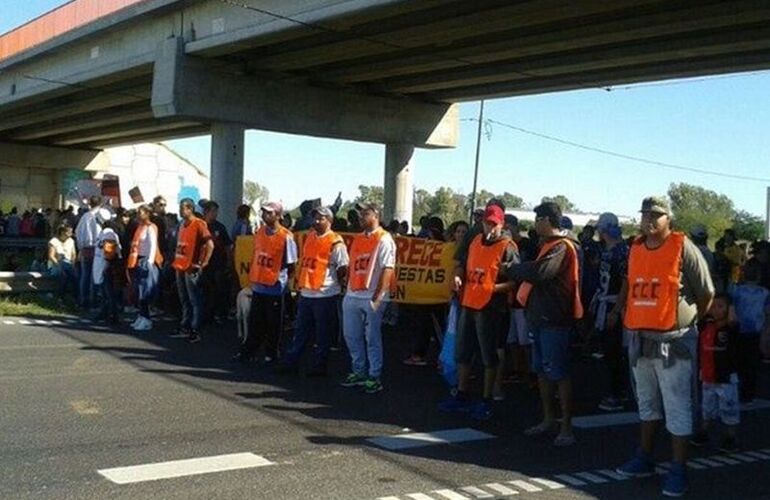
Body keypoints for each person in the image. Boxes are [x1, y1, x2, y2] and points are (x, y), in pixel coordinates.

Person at [614, 196, 714, 498]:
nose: (649, 220)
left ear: (668, 218)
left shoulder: (683, 247)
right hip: (641, 338)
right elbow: (630, 284)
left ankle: (678, 468)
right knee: (647, 402)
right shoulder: (635, 247)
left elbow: (706, 292)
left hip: (674, 342)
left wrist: (688, 321)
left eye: (656, 215)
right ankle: (644, 457)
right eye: (645, 214)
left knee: (677, 406)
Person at [506, 202, 583, 446]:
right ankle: (549, 419)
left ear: (548, 220)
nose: (535, 223)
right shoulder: (548, 245)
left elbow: (540, 272)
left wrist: (510, 269)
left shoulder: (561, 246)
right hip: (540, 318)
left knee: (558, 373)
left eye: (538, 219)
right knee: (541, 370)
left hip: (555, 320)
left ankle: (566, 426)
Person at [440, 205, 518, 420]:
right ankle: (462, 394)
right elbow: (461, 265)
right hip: (469, 302)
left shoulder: (507, 246)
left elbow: (514, 281)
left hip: (491, 308)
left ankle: (486, 399)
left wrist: (492, 289)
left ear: (501, 224)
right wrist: (457, 276)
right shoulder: (474, 241)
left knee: (488, 355)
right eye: (487, 222)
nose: (489, 227)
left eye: (494, 223)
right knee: (463, 352)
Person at [276, 206, 348, 375]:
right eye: (315, 217)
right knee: (301, 331)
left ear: (329, 221)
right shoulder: (310, 237)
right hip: (307, 292)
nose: (316, 221)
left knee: (322, 333)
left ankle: (319, 365)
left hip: (325, 293)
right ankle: (292, 362)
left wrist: (337, 284)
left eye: (321, 218)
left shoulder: (336, 242)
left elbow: (343, 267)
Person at [340, 203, 396, 394]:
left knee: (372, 338)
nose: (361, 217)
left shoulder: (384, 239)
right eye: (360, 214)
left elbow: (388, 268)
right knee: (351, 335)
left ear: (376, 216)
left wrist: (378, 297)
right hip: (353, 293)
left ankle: (374, 375)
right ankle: (359, 371)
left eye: (366, 214)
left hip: (371, 296)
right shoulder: (357, 239)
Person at [235, 201, 297, 364]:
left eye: (269, 212)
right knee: (255, 322)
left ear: (278, 215)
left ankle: (272, 354)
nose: (264, 215)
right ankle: (249, 352)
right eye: (263, 212)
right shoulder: (260, 232)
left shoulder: (286, 236)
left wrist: (284, 284)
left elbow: (291, 264)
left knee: (274, 324)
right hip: (259, 286)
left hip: (275, 288)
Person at [690, 294, 740, 452]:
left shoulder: (731, 327)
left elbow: (733, 320)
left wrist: (731, 305)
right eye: (713, 306)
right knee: (707, 406)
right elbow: (701, 313)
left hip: (725, 377)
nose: (716, 310)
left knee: (729, 408)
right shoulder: (706, 324)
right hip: (708, 375)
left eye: (721, 306)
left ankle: (730, 436)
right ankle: (704, 432)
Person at [593, 213, 630, 412]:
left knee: (614, 351)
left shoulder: (621, 251)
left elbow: (627, 281)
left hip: (614, 304)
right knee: (608, 351)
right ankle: (617, 390)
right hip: (605, 302)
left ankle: (616, 393)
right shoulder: (608, 249)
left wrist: (616, 310)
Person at [171, 198, 214, 344]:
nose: (180, 210)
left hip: (191, 267)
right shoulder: (182, 225)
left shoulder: (199, 224)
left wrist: (204, 263)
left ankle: (195, 329)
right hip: (180, 266)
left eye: (182, 208)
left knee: (194, 300)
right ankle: (185, 326)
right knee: (184, 299)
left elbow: (210, 244)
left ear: (190, 209)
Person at [731, 258, 770, 404]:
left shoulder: (736, 291)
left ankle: (739, 391)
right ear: (759, 276)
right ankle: (749, 394)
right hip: (756, 332)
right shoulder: (765, 293)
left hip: (739, 330)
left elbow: (733, 312)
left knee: (739, 362)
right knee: (752, 364)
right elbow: (767, 314)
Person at [127, 205, 163, 331]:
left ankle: (147, 319)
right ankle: (141, 316)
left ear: (148, 213)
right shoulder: (140, 227)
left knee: (146, 292)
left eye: (141, 212)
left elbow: (153, 245)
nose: (138, 215)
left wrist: (150, 261)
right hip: (139, 259)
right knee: (139, 290)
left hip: (146, 261)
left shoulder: (151, 227)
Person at [201, 201, 233, 325]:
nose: (215, 214)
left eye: (216, 211)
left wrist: (229, 263)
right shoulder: (200, 225)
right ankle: (205, 315)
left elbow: (228, 245)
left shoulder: (220, 227)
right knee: (205, 290)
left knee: (218, 290)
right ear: (206, 212)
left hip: (218, 263)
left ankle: (218, 314)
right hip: (203, 264)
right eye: (213, 211)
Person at [93, 211, 122, 324]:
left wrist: (107, 266)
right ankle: (104, 312)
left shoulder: (109, 234)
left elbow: (109, 253)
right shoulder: (103, 233)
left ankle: (113, 314)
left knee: (109, 292)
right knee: (104, 293)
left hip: (106, 267)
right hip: (101, 265)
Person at [74, 196, 103, 308]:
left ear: (90, 204)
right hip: (97, 248)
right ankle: (93, 300)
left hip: (86, 249)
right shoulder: (101, 217)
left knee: (85, 275)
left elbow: (78, 232)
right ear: (100, 204)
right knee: (95, 276)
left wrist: (80, 247)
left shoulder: (85, 216)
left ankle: (83, 300)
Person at [47, 225, 77, 297]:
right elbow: (51, 256)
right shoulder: (54, 241)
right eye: (69, 232)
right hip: (55, 264)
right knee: (62, 275)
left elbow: (73, 254)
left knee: (75, 276)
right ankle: (60, 297)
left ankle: (75, 297)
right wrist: (59, 266)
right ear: (63, 232)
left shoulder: (71, 241)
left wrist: (73, 263)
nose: (71, 234)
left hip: (68, 263)